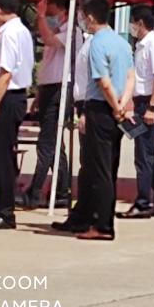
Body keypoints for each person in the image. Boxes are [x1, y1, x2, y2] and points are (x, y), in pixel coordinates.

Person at [75, 0, 135, 241]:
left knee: (99, 169)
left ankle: (102, 224)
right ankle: (100, 220)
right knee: (110, 166)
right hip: (116, 109)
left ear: (89, 17)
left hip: (101, 108)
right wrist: (121, 105)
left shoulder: (97, 43)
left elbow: (103, 81)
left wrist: (113, 105)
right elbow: (131, 76)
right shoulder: (122, 42)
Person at [0, 0, 34, 230]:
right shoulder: (22, 31)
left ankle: (5, 211)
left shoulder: (9, 34)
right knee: (0, 154)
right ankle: (4, 209)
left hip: (7, 98)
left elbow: (5, 72)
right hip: (15, 96)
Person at [18, 0, 75, 209]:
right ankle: (61, 189)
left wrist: (41, 16)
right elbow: (49, 65)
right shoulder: (59, 28)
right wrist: (40, 95)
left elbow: (50, 41)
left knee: (46, 143)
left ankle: (35, 191)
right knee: (54, 143)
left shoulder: (71, 31)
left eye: (48, 5)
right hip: (50, 89)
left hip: (61, 89)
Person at [118, 4, 154, 219]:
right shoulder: (141, 45)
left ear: (140, 23)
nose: (131, 26)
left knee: (144, 155)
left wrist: (152, 107)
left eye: (132, 22)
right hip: (142, 102)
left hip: (150, 103)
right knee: (151, 154)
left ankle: (143, 202)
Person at [52, 29, 94, 234]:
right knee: (86, 165)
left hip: (90, 104)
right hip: (83, 103)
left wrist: (84, 111)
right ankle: (81, 213)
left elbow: (97, 80)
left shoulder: (96, 44)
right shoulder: (87, 41)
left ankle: (88, 215)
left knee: (91, 165)